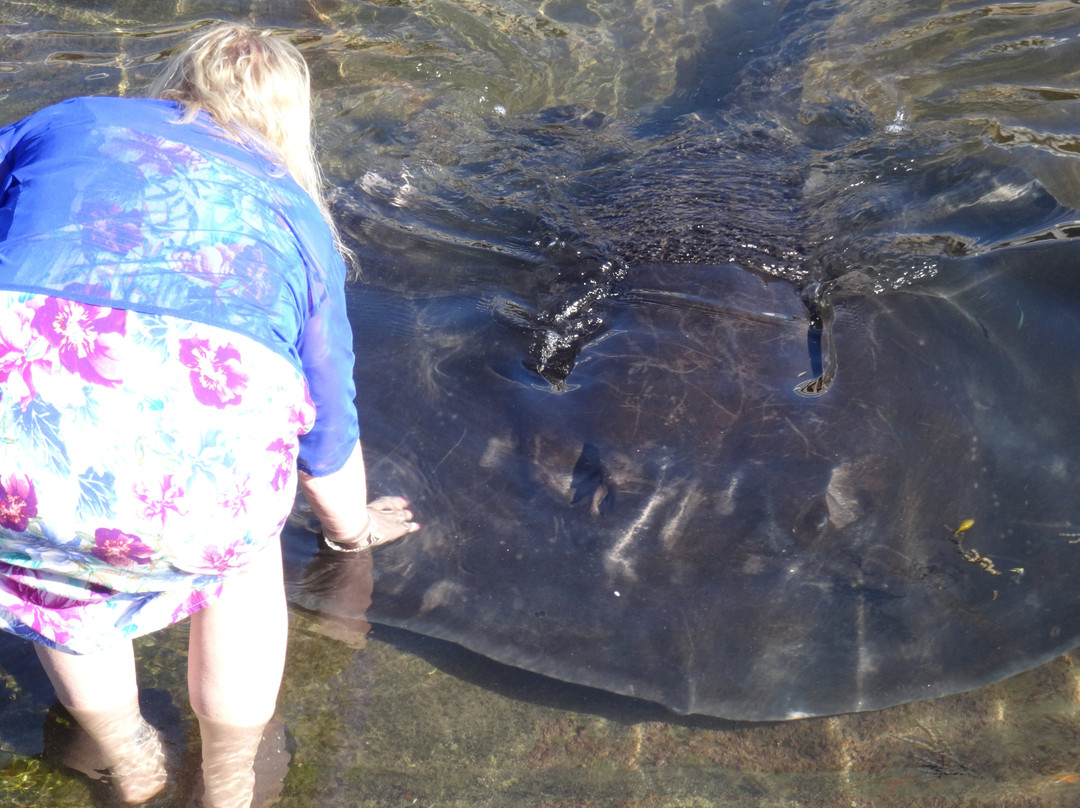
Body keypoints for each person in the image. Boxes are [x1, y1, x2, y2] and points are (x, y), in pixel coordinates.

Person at [0, 23, 418, 807]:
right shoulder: (297, 214)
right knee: (244, 547)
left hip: (9, 449)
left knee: (57, 576)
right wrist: (352, 532)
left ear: (176, 82)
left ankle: (129, 763)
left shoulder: (71, 121)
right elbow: (327, 424)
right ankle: (227, 780)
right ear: (289, 122)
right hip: (192, 497)